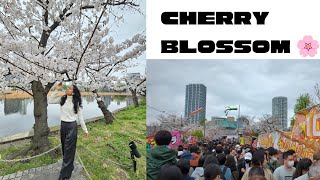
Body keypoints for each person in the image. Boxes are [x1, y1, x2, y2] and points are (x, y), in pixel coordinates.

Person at [48, 82, 89, 180]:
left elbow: (80, 117)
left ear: (74, 92)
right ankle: (69, 167)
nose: (67, 89)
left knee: (68, 151)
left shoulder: (76, 103)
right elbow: (50, 100)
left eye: (69, 88)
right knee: (64, 149)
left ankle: (64, 176)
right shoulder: (63, 99)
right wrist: (57, 89)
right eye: (67, 88)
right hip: (63, 126)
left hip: (72, 127)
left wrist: (85, 130)